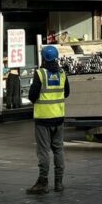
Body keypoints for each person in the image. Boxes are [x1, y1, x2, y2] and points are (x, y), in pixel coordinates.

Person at [26, 45, 70, 194]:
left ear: (43, 58)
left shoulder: (40, 74)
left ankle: (43, 183)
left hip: (43, 118)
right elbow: (67, 93)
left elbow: (32, 96)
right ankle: (59, 183)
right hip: (59, 117)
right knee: (58, 149)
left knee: (43, 151)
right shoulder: (62, 73)